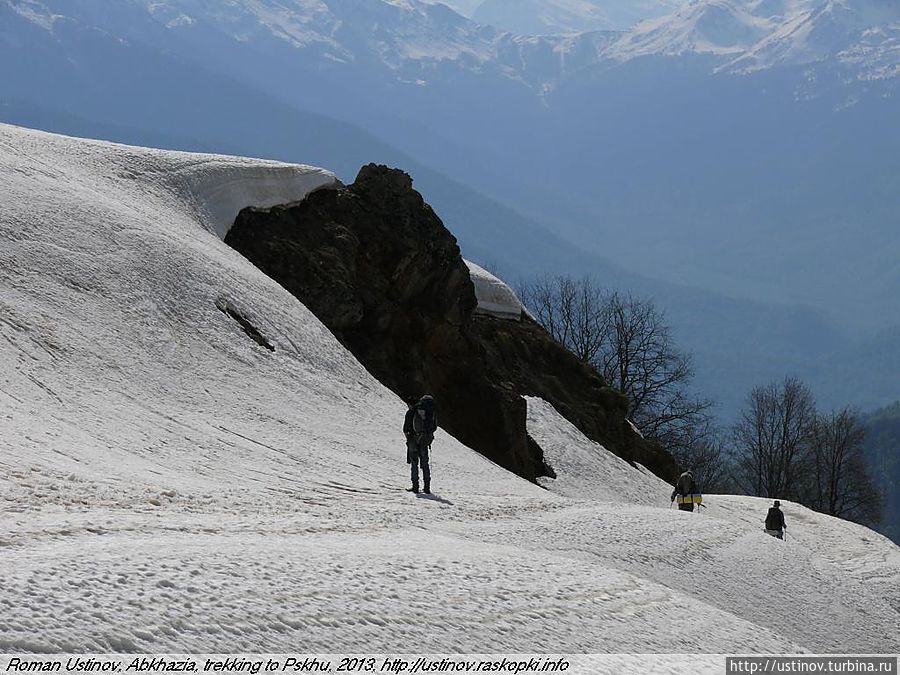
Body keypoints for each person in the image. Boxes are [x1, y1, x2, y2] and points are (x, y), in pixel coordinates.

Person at [404, 395, 436, 494]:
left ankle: (415, 487)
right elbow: (434, 426)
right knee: (425, 464)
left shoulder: (410, 413)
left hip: (413, 440)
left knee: (414, 464)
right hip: (424, 441)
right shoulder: (427, 413)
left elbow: (405, 429)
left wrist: (408, 439)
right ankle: (427, 487)